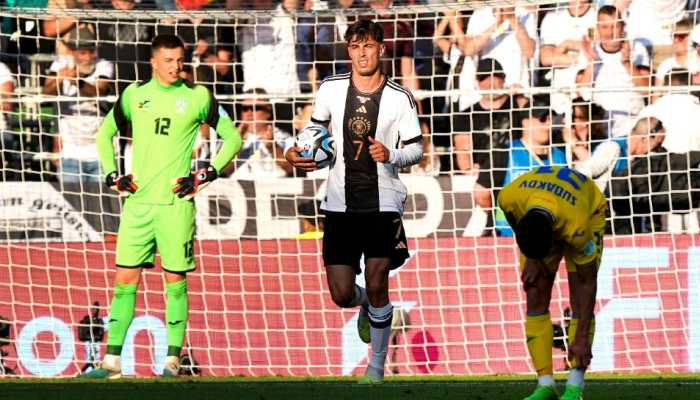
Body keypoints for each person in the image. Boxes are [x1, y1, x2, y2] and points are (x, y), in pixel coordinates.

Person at [83, 34, 242, 378]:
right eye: (168, 61)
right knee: (124, 279)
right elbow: (103, 134)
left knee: (176, 280)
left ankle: (172, 360)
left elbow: (234, 137)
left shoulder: (198, 96)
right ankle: (110, 362)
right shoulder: (134, 95)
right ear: (153, 62)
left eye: (180, 60)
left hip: (175, 204)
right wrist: (113, 176)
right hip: (138, 205)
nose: (176, 67)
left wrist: (206, 174)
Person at [284, 19, 423, 383]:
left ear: (381, 48)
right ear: (349, 51)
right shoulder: (330, 89)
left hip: (383, 202)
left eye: (369, 46)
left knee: (379, 281)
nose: (362, 54)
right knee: (342, 293)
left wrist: (391, 154)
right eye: (355, 47)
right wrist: (293, 153)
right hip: (339, 203)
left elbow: (417, 148)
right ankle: (363, 306)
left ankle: (375, 368)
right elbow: (312, 134)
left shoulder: (399, 97)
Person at [497, 165, 606, 400]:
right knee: (535, 288)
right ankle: (545, 385)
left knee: (579, 295)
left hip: (587, 211)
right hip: (545, 206)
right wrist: (534, 259)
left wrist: (581, 339)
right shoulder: (508, 197)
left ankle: (575, 387)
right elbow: (517, 222)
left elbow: (589, 283)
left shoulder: (577, 227)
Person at [42, 25, 113, 184]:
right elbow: (46, 93)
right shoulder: (59, 65)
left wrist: (77, 82)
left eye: (91, 51)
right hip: (70, 153)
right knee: (71, 203)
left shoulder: (104, 65)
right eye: (83, 52)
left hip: (100, 151)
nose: (88, 57)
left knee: (102, 204)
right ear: (72, 52)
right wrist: (60, 78)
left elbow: (99, 91)